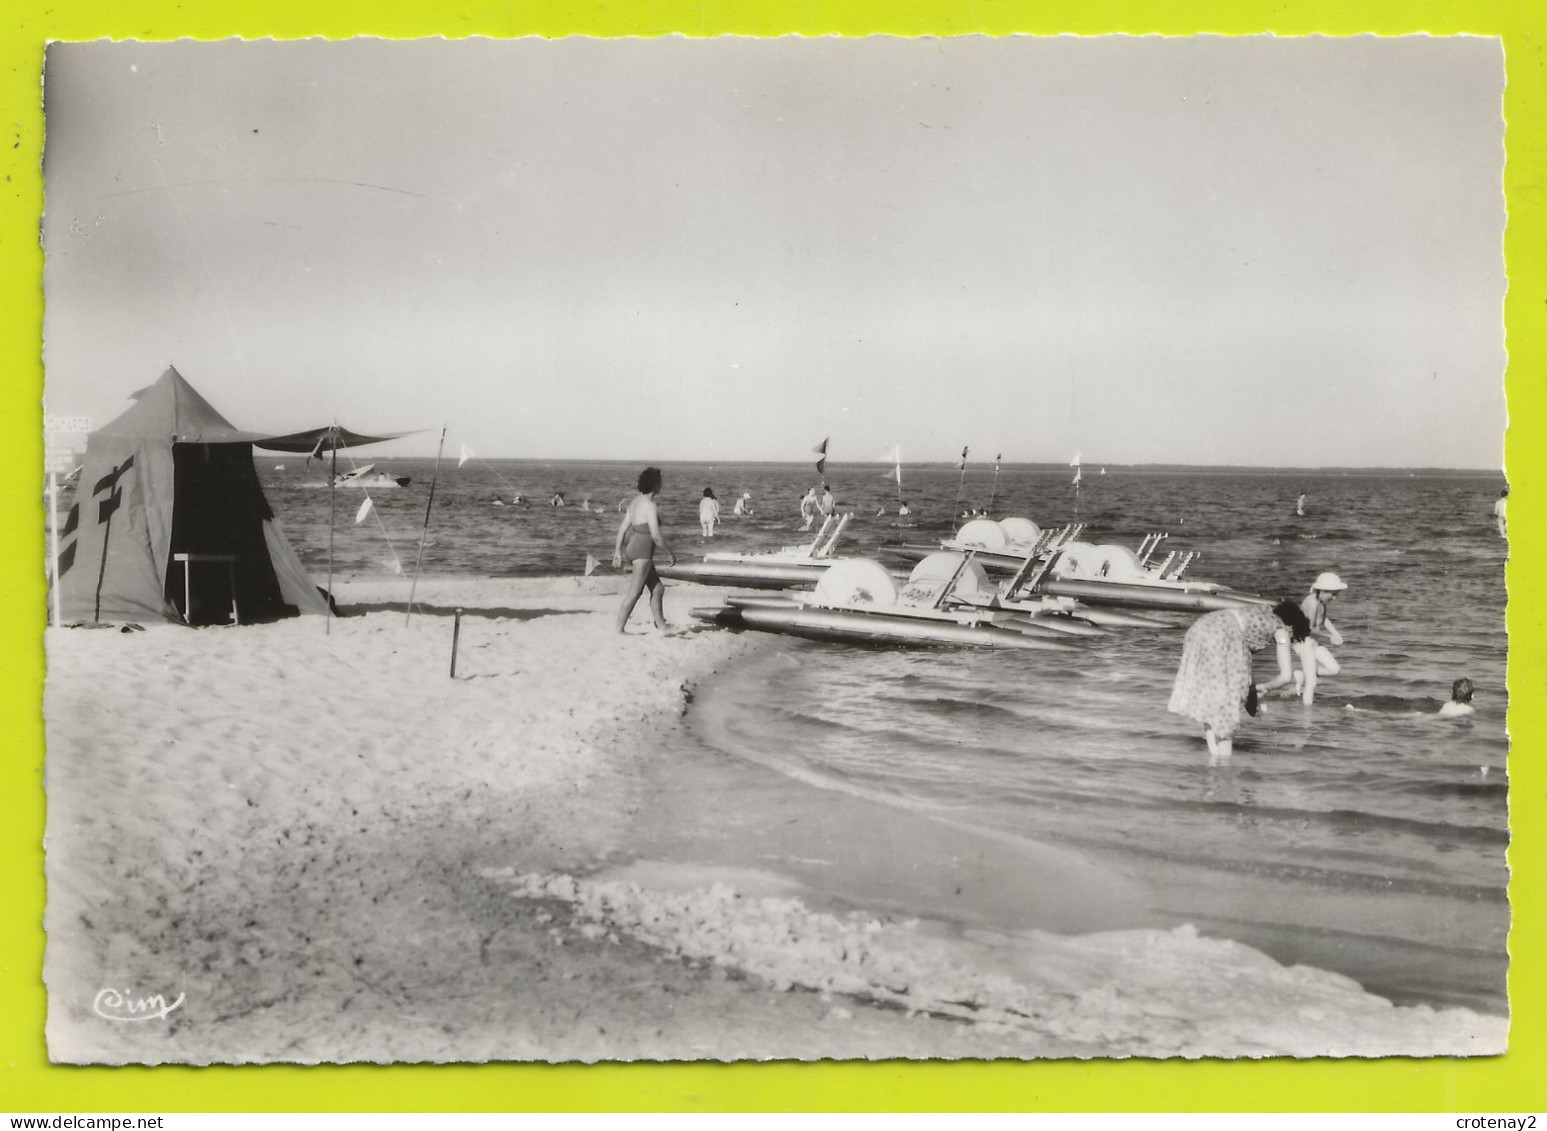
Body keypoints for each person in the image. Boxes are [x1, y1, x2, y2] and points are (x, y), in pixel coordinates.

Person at [1168, 599, 1317, 762]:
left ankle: (1214, 761)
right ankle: (1225, 769)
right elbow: (1285, 677)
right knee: (1227, 709)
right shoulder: (1282, 631)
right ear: (1292, 627)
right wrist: (1262, 688)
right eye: (1294, 637)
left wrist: (1251, 688)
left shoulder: (1262, 612)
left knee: (1212, 703)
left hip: (1200, 629)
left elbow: (1242, 663)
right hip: (1223, 637)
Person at [612, 467, 677, 633]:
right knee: (634, 592)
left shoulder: (634, 502)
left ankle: (661, 624)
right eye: (660, 482)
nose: (661, 484)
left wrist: (618, 552)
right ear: (655, 484)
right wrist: (669, 553)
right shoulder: (650, 506)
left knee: (658, 589)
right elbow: (655, 536)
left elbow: (622, 530)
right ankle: (618, 629)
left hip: (633, 548)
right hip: (642, 551)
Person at [1296, 572, 1347, 697]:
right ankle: (1308, 714)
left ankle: (1301, 674)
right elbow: (1310, 629)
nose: (1334, 598)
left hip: (1313, 642)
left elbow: (1323, 619)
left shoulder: (1321, 601)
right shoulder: (1312, 602)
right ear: (1323, 590)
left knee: (1334, 669)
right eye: (1333, 594)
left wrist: (1336, 634)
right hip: (1303, 643)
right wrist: (1329, 637)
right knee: (1311, 683)